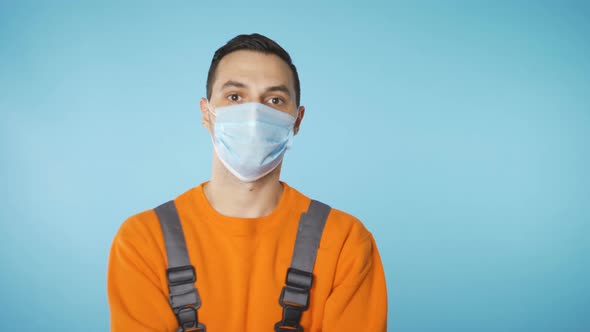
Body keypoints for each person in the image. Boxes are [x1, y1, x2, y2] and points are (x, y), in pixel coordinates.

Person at [107, 33, 388, 331]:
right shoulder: (144, 241)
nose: (254, 115)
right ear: (206, 113)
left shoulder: (346, 242)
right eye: (235, 97)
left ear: (297, 120)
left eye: (274, 100)